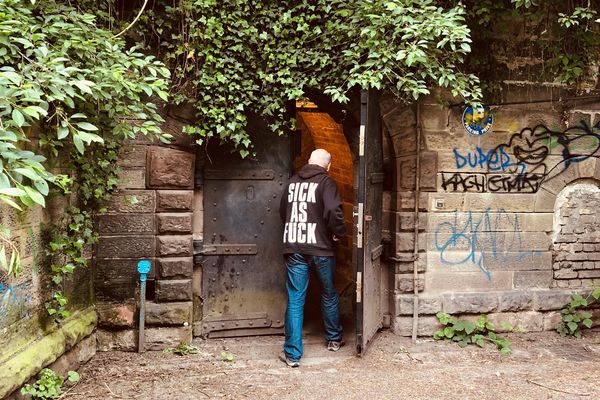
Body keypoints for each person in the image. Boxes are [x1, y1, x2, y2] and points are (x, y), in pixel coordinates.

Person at [278, 148, 346, 367]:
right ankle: (334, 339)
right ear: (328, 166)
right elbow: (334, 210)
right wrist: (339, 232)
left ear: (308, 161)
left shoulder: (291, 183)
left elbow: (283, 212)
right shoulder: (327, 182)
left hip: (295, 247)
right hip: (321, 248)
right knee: (328, 293)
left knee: (296, 298)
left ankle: (292, 354)